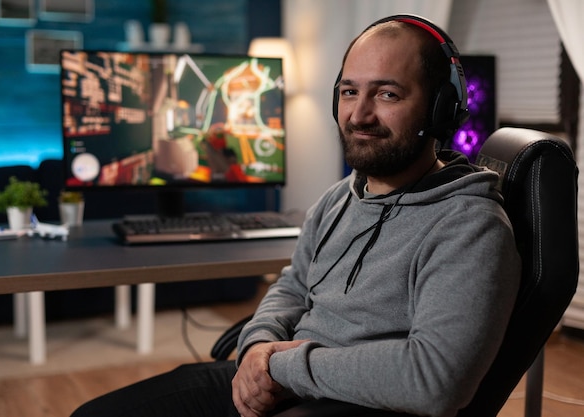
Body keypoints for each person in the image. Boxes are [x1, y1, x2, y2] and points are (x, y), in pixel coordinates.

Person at [70, 14, 520, 417]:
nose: (359, 114)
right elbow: (293, 285)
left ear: (440, 110)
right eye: (349, 91)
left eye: (387, 93)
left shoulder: (469, 225)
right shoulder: (339, 197)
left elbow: (434, 379)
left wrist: (280, 366)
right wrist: (257, 346)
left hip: (352, 403)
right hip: (283, 378)